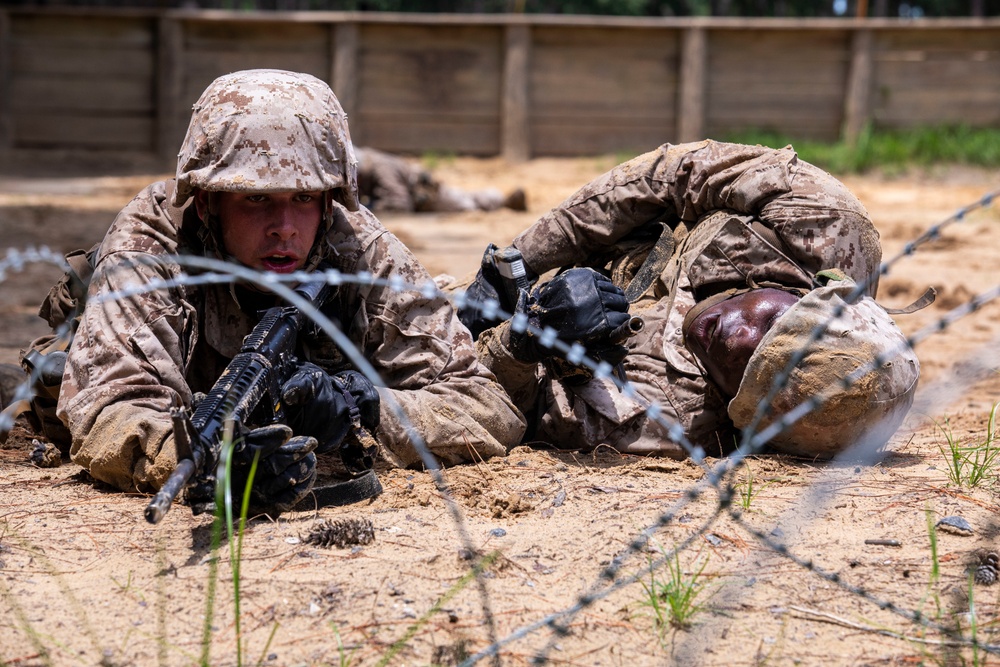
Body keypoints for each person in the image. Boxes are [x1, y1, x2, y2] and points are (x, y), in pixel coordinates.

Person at [13, 70, 525, 512]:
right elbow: (109, 408)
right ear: (208, 202)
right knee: (48, 383)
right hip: (165, 383)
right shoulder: (150, 248)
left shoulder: (358, 245)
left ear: (329, 201)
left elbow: (486, 407)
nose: (284, 226)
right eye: (256, 198)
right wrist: (208, 461)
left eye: (304, 197)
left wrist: (361, 408)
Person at [457, 140, 921, 461]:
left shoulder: (672, 418)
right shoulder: (822, 224)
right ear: (813, 291)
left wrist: (526, 338)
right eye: (772, 325)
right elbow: (675, 173)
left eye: (750, 379)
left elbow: (521, 407)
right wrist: (519, 262)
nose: (738, 341)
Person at [355, 146, 527, 213]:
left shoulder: (380, 167)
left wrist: (371, 209)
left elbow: (399, 203)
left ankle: (503, 200)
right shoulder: (371, 164)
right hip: (420, 195)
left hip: (427, 194)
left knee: (466, 203)